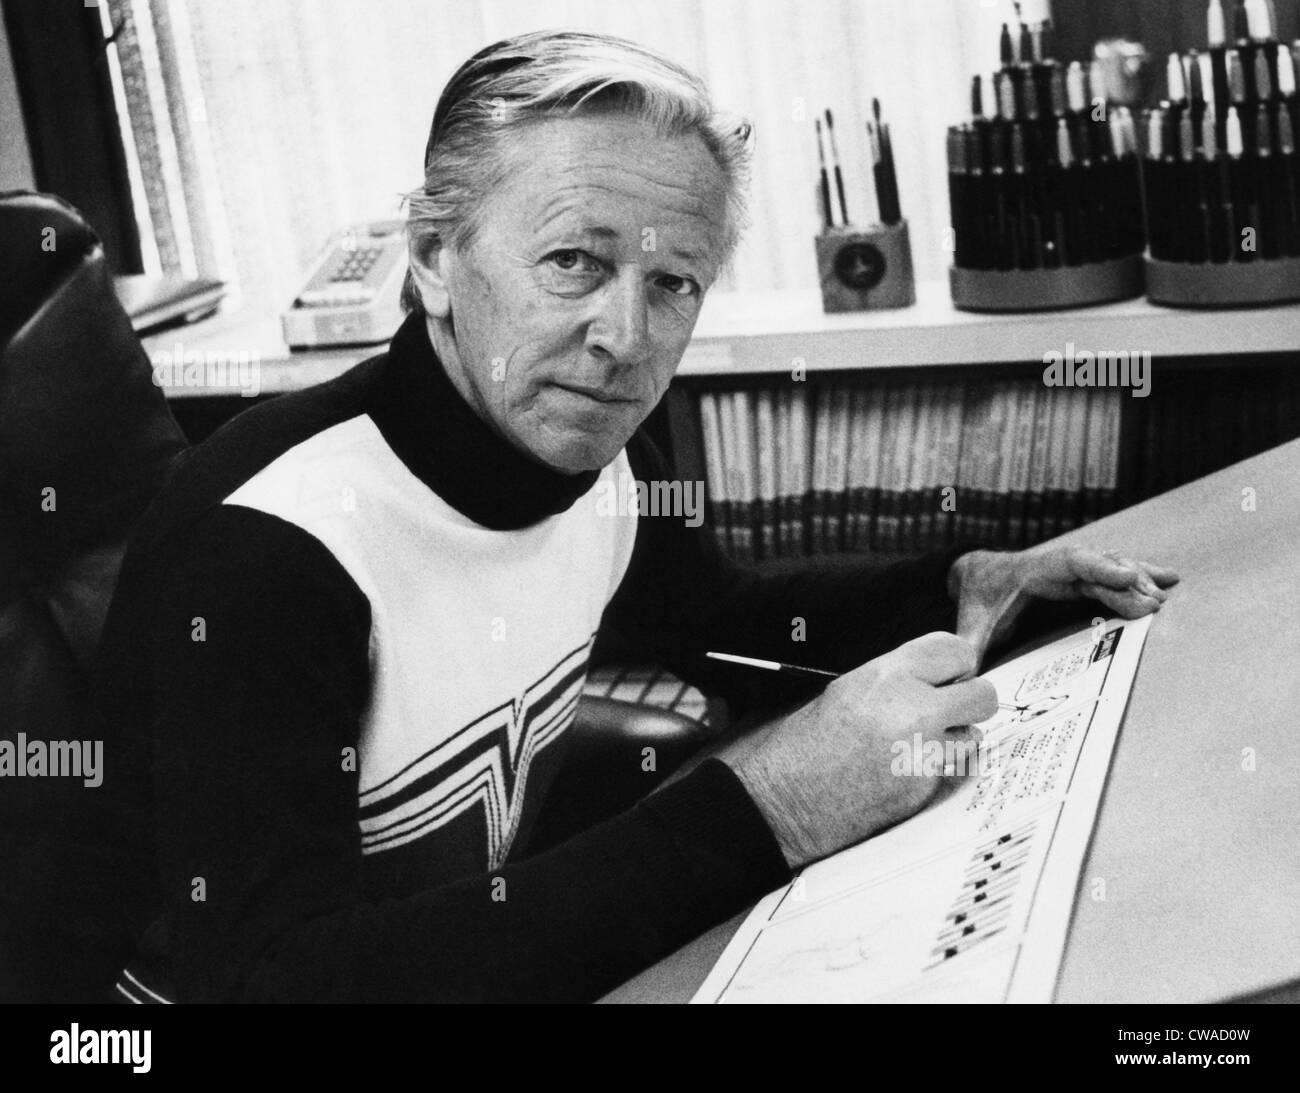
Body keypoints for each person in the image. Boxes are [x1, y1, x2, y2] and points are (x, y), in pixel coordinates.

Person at [89, 29, 1177, 1003]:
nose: (626, 336)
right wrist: (770, 810)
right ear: (431, 258)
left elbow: (720, 623)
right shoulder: (272, 545)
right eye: (575, 261)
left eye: (674, 283)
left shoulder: (591, 445)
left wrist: (965, 584)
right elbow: (273, 981)